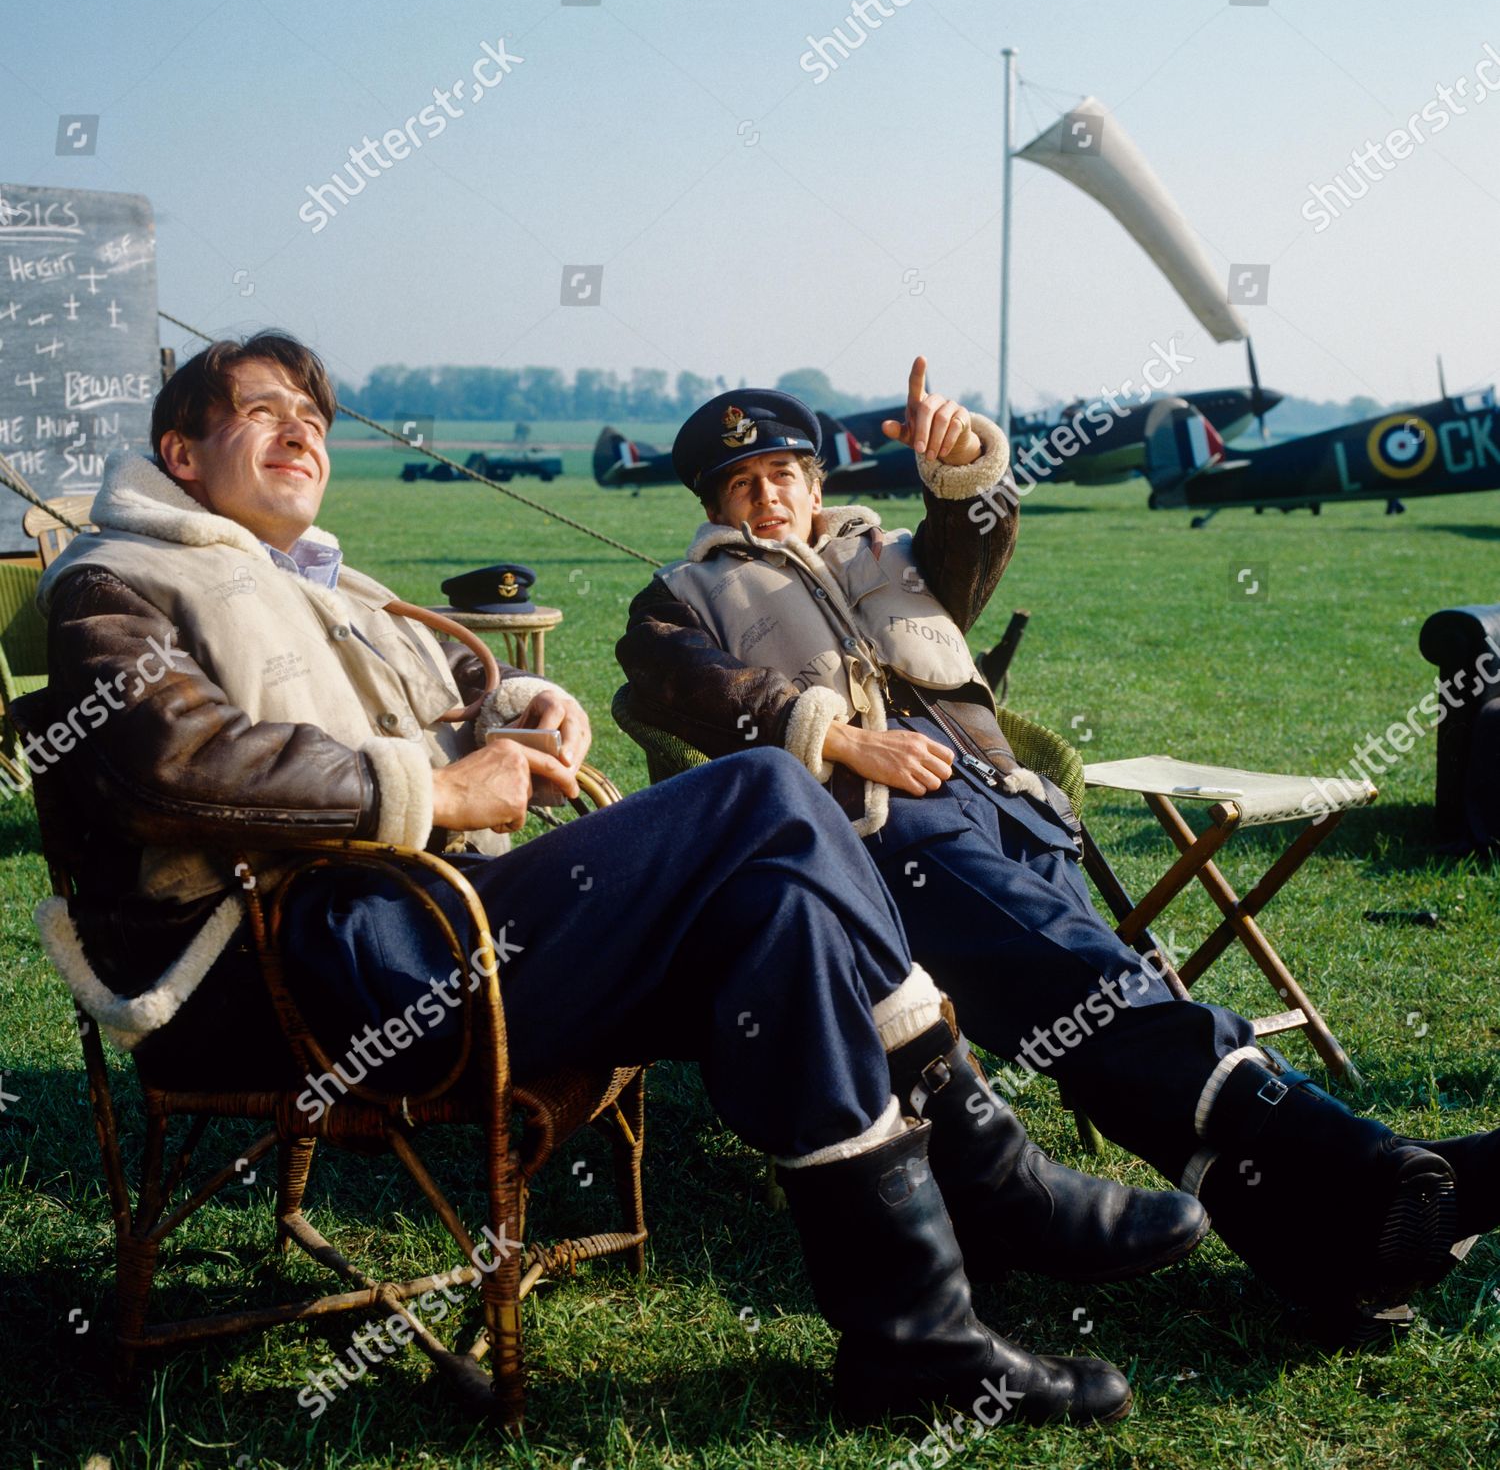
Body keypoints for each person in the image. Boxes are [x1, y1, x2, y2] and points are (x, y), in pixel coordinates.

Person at [31, 330, 1206, 1427]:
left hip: (426, 928)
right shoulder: (118, 577)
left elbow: (446, 680)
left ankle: (915, 1338)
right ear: (180, 455)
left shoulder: (327, 586)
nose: (304, 432)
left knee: (778, 910)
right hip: (298, 970)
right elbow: (169, 764)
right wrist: (434, 791)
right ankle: (988, 1173)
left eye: (315, 417)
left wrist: (515, 707)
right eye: (263, 413)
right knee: (767, 794)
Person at [616, 360, 1500, 1343]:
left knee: (1092, 1021)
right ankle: (1374, 1162)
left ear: (820, 485)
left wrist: (963, 470)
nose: (769, 494)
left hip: (1015, 813)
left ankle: (1328, 1258)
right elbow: (667, 682)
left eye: (784, 473)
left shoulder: (891, 555)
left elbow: (975, 540)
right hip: (876, 836)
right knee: (1097, 993)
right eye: (743, 484)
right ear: (713, 505)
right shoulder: (686, 593)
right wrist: (832, 733)